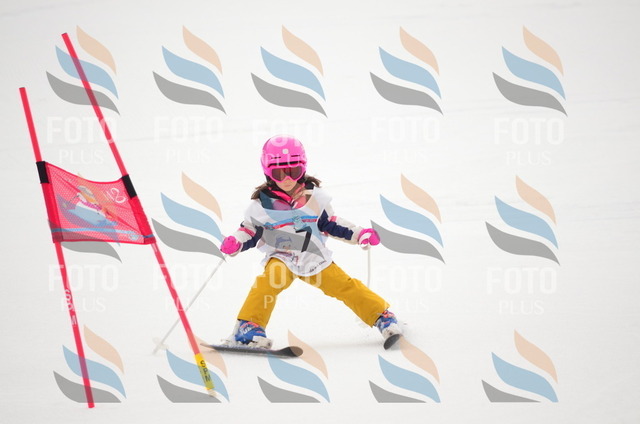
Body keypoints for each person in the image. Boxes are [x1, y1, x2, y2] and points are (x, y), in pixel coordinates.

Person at [219, 135, 402, 349]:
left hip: (314, 256)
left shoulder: (314, 198)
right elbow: (249, 230)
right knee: (267, 284)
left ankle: (382, 317)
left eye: (294, 171)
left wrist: (359, 233)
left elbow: (330, 223)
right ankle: (247, 327)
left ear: (303, 168)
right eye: (279, 173)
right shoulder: (261, 206)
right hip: (282, 257)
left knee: (345, 286)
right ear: (268, 172)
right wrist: (236, 242)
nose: (287, 178)